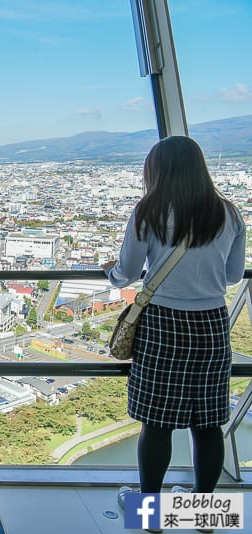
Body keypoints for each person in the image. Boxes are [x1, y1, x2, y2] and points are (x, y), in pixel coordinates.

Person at [102, 136, 245, 528]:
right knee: (208, 422)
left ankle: (149, 514)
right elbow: (233, 275)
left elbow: (127, 273)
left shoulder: (148, 211)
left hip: (163, 324)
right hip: (212, 325)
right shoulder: (229, 213)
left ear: (156, 171)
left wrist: (109, 273)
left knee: (157, 422)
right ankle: (204, 515)